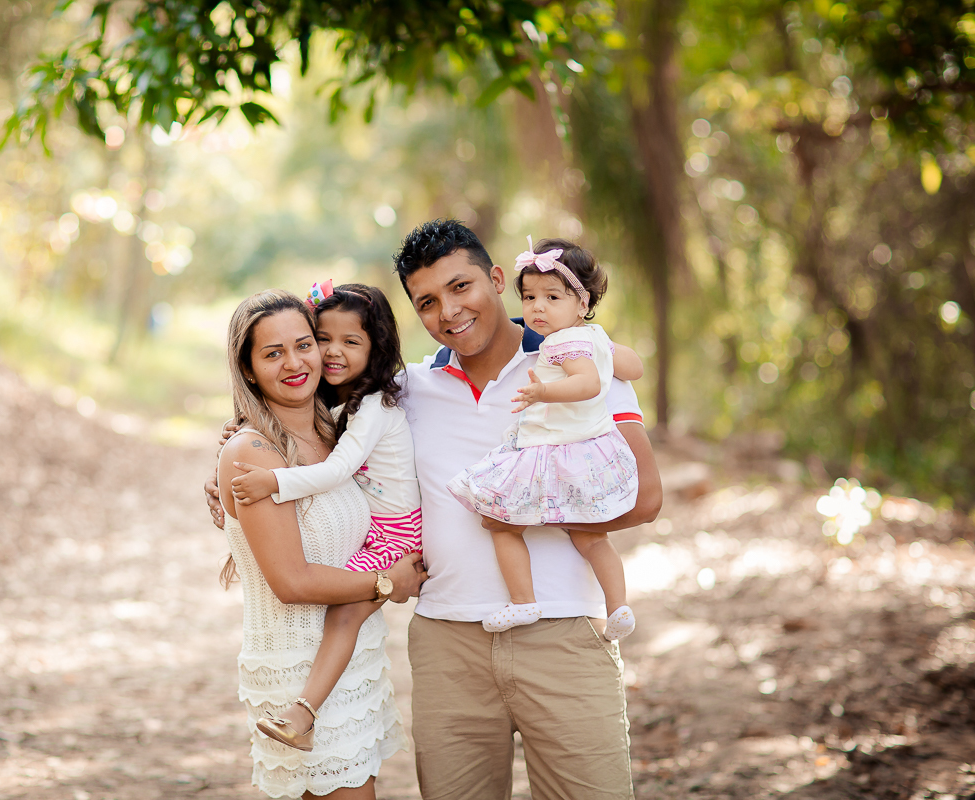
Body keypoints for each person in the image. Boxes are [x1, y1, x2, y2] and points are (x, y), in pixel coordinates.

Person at [208, 221, 662, 799]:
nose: (449, 311)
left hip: (565, 629)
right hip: (447, 643)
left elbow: (646, 497)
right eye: (427, 301)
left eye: (461, 287)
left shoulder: (575, 370)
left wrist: (527, 515)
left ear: (496, 280)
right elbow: (295, 412)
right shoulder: (407, 390)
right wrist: (224, 462)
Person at [216, 289, 425, 799]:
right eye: (272, 353)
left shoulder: (335, 429)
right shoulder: (252, 451)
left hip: (354, 663)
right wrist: (386, 582)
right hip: (298, 669)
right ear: (247, 370)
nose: (295, 363)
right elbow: (291, 582)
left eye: (304, 345)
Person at [447, 236, 644, 640]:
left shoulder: (559, 344)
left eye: (553, 297)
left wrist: (543, 392)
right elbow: (634, 367)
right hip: (589, 451)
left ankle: (523, 600)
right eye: (531, 297)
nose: (538, 307)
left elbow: (587, 383)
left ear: (582, 303)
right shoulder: (595, 339)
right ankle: (618, 605)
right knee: (592, 538)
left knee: (498, 522)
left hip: (552, 451)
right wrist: (606, 349)